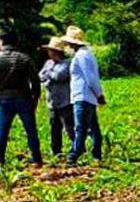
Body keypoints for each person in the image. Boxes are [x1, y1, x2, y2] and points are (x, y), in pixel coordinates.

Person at [0, 33, 43, 168]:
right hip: (24, 98)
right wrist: (35, 97)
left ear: (2, 42)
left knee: (2, 130)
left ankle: (0, 159)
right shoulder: (25, 59)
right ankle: (36, 159)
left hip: (5, 98)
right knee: (30, 130)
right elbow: (35, 81)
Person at [61, 25, 104, 164]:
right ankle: (96, 154)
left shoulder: (82, 56)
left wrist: (99, 94)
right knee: (93, 127)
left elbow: (90, 77)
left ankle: (74, 153)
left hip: (83, 95)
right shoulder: (86, 54)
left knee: (80, 128)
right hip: (86, 96)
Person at [39, 36, 75, 157]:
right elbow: (40, 76)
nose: (48, 53)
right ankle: (56, 150)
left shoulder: (67, 63)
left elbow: (59, 76)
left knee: (69, 127)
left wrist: (48, 73)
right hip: (52, 101)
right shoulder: (48, 63)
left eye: (50, 50)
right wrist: (49, 73)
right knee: (54, 127)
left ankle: (76, 148)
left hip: (65, 101)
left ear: (56, 51)